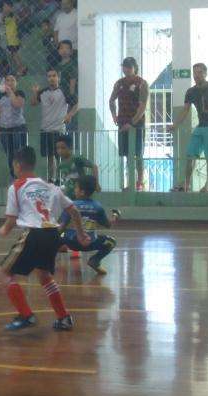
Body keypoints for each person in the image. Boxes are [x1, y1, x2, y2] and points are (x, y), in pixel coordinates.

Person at [0, 146, 89, 332]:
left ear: (16, 165)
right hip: (52, 234)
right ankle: (64, 318)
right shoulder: (51, 187)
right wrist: (81, 233)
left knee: (4, 273)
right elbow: (74, 211)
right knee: (44, 276)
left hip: (34, 233)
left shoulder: (16, 186)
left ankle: (26, 315)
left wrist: (4, 230)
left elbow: (11, 221)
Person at [169, 63, 208, 192]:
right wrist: (175, 125)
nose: (196, 75)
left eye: (199, 72)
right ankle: (186, 185)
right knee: (190, 155)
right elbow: (185, 110)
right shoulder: (191, 91)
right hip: (201, 126)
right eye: (194, 73)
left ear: (205, 73)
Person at [60, 175, 119, 275]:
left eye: (76, 188)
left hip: (71, 242)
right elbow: (108, 225)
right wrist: (115, 216)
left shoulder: (71, 206)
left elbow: (62, 226)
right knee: (111, 242)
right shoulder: (97, 206)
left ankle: (42, 262)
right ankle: (95, 260)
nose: (74, 190)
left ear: (82, 192)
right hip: (90, 243)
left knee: (54, 236)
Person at [109, 57, 149, 191]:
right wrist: (114, 116)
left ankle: (139, 182)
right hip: (122, 122)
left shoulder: (142, 83)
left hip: (137, 124)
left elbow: (142, 107)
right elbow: (111, 101)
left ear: (134, 68)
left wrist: (132, 123)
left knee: (138, 153)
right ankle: (131, 183)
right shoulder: (119, 83)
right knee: (127, 154)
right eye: (124, 67)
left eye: (129, 67)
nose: (126, 69)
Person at [32, 68, 78, 183]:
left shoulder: (64, 91)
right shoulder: (42, 92)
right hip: (45, 129)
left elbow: (77, 104)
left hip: (58, 129)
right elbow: (33, 103)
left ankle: (62, 178)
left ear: (58, 78)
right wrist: (35, 92)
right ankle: (51, 179)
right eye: (49, 76)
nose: (51, 78)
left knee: (60, 156)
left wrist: (69, 115)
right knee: (49, 157)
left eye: (54, 75)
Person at [0, 74, 27, 178]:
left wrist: (10, 92)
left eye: (12, 80)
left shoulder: (19, 93)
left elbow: (17, 104)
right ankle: (13, 176)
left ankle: (22, 177)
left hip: (18, 128)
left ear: (16, 82)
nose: (9, 82)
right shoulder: (1, 95)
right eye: (7, 80)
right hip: (5, 128)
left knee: (19, 154)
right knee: (10, 155)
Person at [55, 134, 99, 200]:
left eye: (63, 148)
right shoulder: (60, 165)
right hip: (69, 198)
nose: (60, 151)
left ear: (70, 147)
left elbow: (94, 166)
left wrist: (96, 184)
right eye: (58, 148)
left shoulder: (77, 159)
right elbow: (65, 182)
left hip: (81, 196)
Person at [2, 1, 26, 76]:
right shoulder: (9, 16)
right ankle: (20, 68)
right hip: (10, 40)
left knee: (14, 54)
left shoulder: (11, 16)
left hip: (13, 40)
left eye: (5, 6)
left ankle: (21, 68)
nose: (3, 8)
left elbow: (3, 20)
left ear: (9, 7)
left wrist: (7, 12)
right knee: (13, 55)